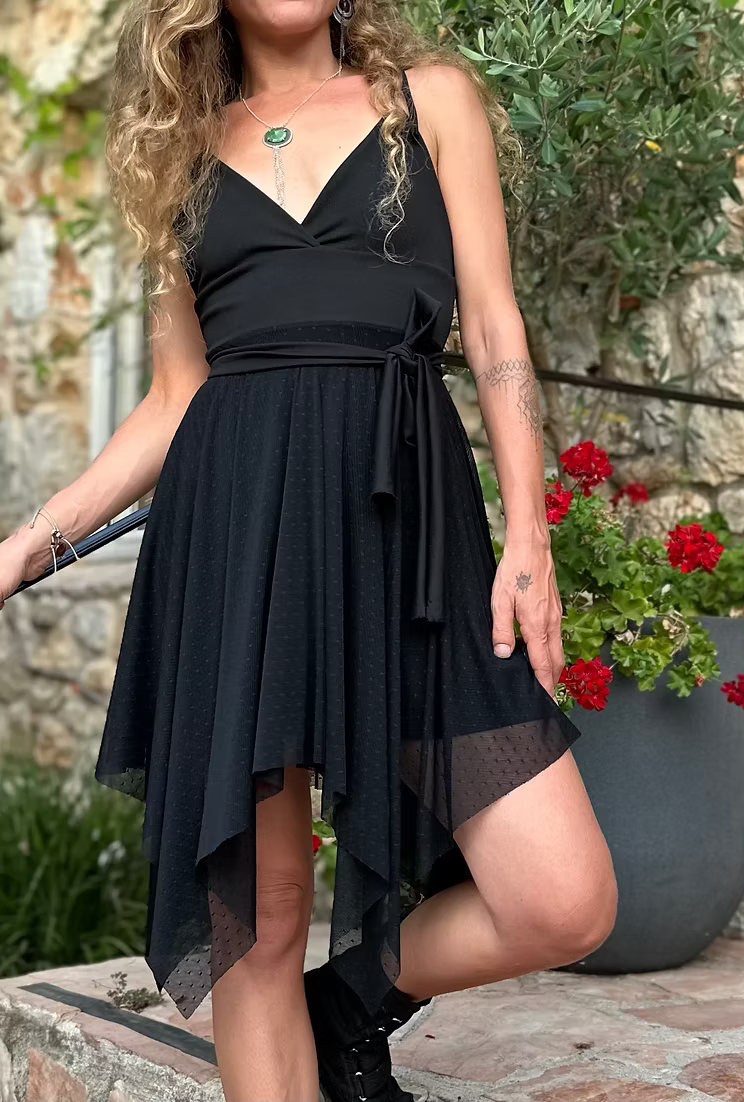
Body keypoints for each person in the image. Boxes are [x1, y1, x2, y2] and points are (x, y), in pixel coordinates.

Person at [0, 1, 618, 1099]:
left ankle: (344, 1001)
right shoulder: (177, 149)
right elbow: (175, 399)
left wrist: (528, 530)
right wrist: (19, 550)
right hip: (235, 539)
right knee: (263, 913)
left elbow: (492, 328)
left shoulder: (428, 102)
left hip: (414, 541)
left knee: (562, 899)